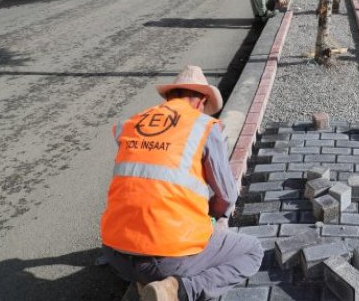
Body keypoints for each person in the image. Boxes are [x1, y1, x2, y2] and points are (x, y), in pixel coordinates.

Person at [100, 65, 263, 301]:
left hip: (116, 254)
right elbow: (226, 196)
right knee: (251, 251)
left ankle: (144, 281)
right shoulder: (202, 126)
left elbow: (142, 186)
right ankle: (177, 289)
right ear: (201, 101)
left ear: (169, 97)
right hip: (168, 260)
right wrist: (214, 216)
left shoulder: (132, 124)